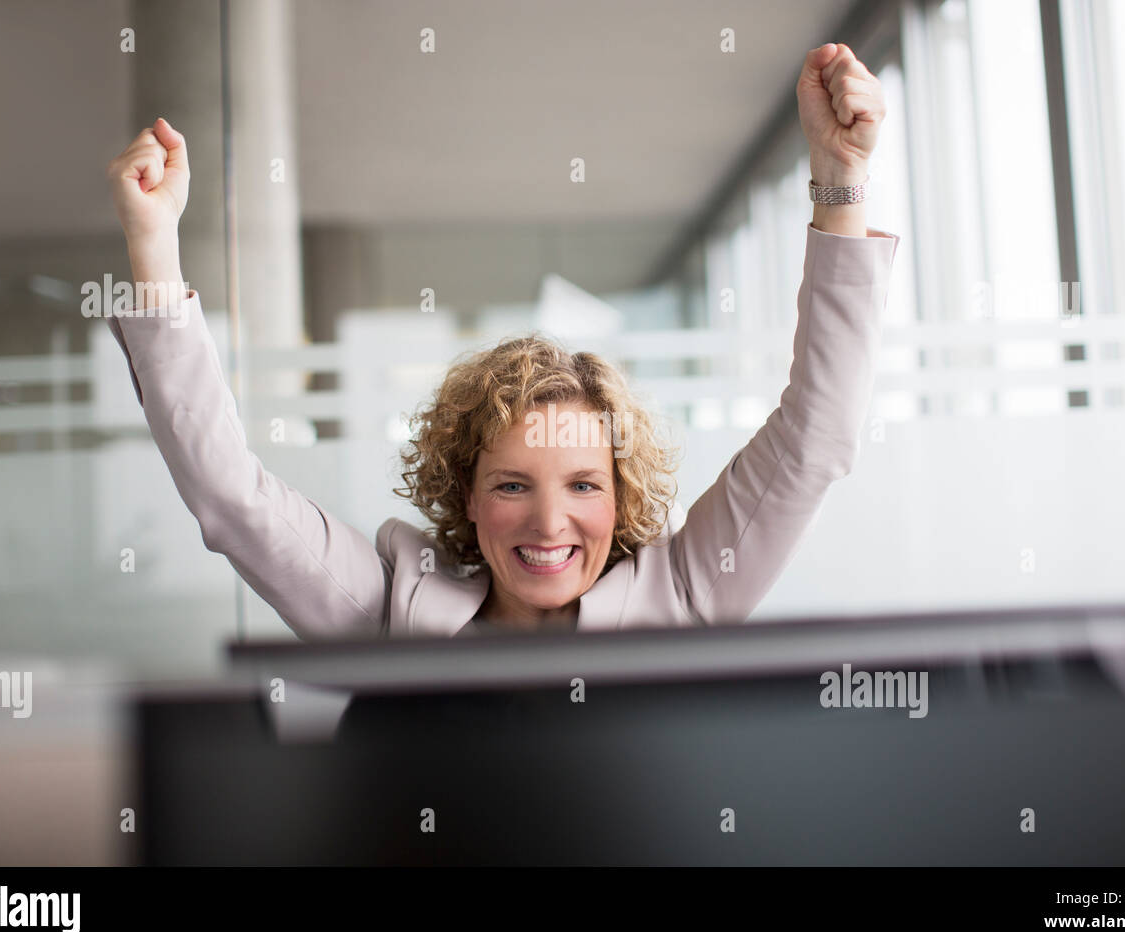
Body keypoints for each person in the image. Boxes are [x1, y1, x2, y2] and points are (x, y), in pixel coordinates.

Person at [104, 42, 900, 640]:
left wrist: (839, 178)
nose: (550, 524)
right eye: (514, 485)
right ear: (466, 495)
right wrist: (154, 249)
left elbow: (817, 435)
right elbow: (230, 499)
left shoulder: (687, 593)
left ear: (621, 497)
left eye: (584, 484)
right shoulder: (389, 610)